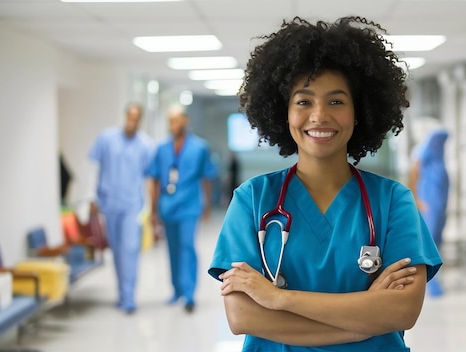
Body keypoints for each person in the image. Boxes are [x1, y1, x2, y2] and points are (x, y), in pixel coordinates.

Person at [208, 16, 442, 351]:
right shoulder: (253, 200)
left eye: (336, 101)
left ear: (358, 111)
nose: (319, 115)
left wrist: (277, 298)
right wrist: (362, 325)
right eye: (303, 101)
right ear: (283, 112)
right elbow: (243, 316)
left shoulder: (392, 201)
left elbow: (402, 311)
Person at [147, 104, 217, 313]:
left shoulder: (200, 147)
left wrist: (206, 206)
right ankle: (176, 290)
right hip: (167, 206)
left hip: (190, 205)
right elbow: (155, 180)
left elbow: (206, 178)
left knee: (187, 246)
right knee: (172, 249)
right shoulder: (161, 149)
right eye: (171, 120)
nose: (174, 124)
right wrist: (153, 210)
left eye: (177, 120)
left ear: (185, 121)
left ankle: (189, 294)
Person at [89, 102, 154, 314]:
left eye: (136, 117)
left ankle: (129, 298)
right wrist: (91, 197)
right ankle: (121, 293)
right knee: (116, 251)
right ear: (125, 115)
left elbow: (149, 178)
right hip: (108, 204)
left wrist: (149, 208)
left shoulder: (145, 145)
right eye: (130, 116)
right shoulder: (106, 138)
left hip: (131, 206)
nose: (132, 121)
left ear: (140, 119)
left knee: (129, 250)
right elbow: (93, 167)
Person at [408, 124, 450, 297]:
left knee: (437, 240)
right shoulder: (423, 151)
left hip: (439, 204)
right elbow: (414, 173)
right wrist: (417, 199)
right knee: (428, 241)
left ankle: (435, 279)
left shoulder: (439, 155)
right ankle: (428, 282)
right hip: (428, 203)